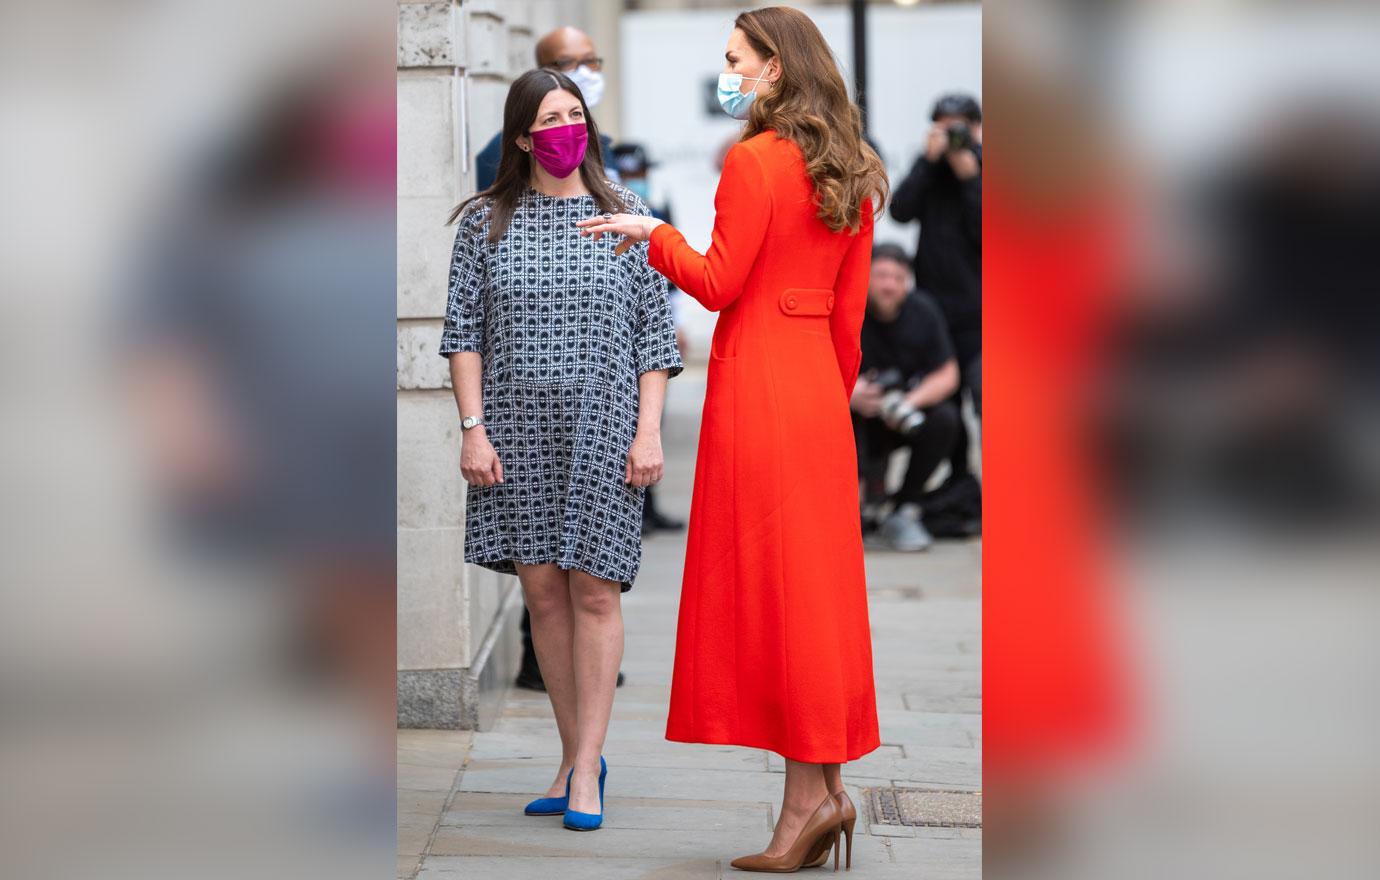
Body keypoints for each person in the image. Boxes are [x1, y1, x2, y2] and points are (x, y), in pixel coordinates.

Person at [576, 7, 886, 870]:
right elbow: (852, 319)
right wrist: (828, 396)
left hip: (760, 393)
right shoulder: (854, 165)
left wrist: (652, 235)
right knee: (815, 599)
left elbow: (716, 283)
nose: (729, 71)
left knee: (780, 602)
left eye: (735, 59)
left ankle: (804, 807)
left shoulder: (752, 161)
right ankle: (821, 794)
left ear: (776, 69)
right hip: (818, 396)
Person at [438, 69, 683, 832]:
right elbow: (462, 335)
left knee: (595, 591)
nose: (565, 129)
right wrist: (472, 430)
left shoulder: (626, 216)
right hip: (515, 431)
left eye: (575, 115)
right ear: (521, 136)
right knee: (542, 593)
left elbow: (654, 338)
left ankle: (586, 770)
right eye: (550, 118)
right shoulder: (485, 222)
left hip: (605, 428)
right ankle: (577, 753)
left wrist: (649, 432)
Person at [890, 93, 982, 507]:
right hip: (936, 311)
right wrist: (929, 163)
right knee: (945, 405)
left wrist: (971, 179)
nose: (955, 136)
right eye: (946, 127)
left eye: (962, 127)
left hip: (983, 317)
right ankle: (962, 481)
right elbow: (900, 210)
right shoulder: (926, 167)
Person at [852, 243, 961, 552]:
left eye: (898, 277)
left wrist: (909, 402)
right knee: (837, 418)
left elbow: (948, 373)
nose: (889, 285)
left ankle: (903, 508)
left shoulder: (922, 311)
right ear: (866, 276)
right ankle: (852, 509)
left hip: (899, 416)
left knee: (945, 418)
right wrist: (849, 392)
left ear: (907, 282)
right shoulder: (849, 307)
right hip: (855, 416)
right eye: (881, 275)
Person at [610, 142, 688, 536]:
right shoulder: (610, 205)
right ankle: (636, 511)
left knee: (651, 421)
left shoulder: (654, 206)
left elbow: (668, 278)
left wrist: (677, 323)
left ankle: (650, 505)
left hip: (658, 318)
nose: (638, 180)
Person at [475, 27, 618, 191]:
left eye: (589, 60)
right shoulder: (501, 152)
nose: (583, 72)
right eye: (567, 62)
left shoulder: (596, 141)